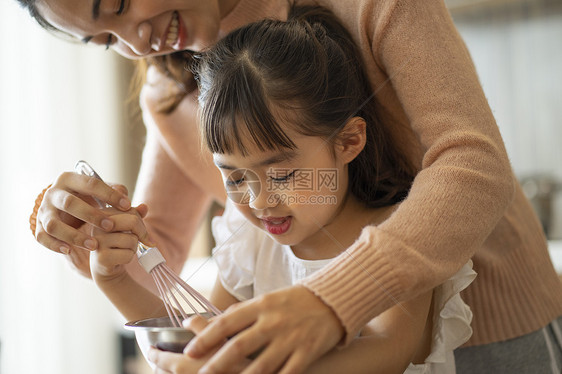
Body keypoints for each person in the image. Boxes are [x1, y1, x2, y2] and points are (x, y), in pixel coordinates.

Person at [20, 0, 562, 373]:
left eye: (115, 5)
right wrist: (91, 238)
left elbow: (473, 164)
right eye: (100, 40)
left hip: (495, 328)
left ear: (350, 139)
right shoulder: (171, 87)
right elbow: (155, 250)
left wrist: (330, 304)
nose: (135, 42)